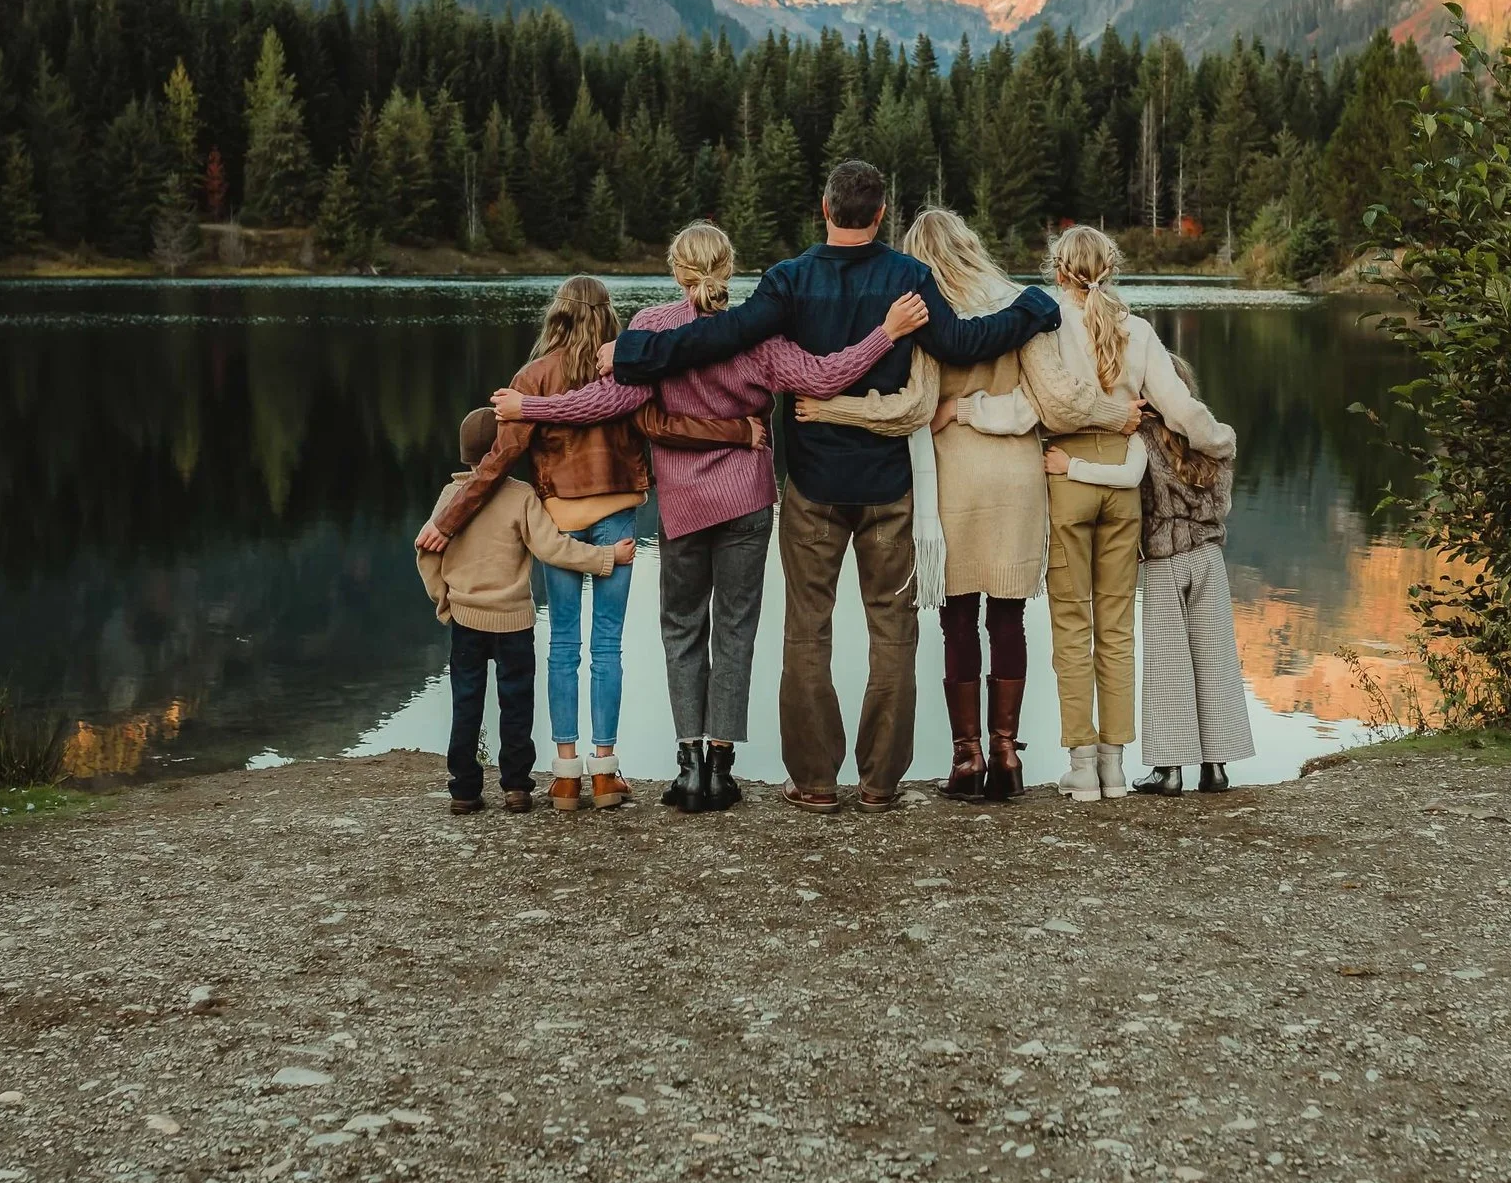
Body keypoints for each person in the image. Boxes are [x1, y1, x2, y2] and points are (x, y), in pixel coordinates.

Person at [601, 161, 1059, 812]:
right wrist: (1038, 306)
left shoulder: (789, 280)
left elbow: (720, 336)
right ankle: (880, 784)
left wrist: (630, 354)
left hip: (813, 484)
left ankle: (814, 782)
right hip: (887, 485)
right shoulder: (908, 279)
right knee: (892, 632)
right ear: (880, 215)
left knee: (808, 632)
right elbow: (964, 343)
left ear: (824, 207)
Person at [493, 222, 931, 813]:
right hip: (748, 502)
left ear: (677, 272)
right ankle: (722, 767)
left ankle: (688, 766)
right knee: (735, 629)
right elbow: (828, 376)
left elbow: (607, 402)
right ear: (729, 269)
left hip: (684, 506)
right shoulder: (759, 333)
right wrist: (886, 333)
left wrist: (531, 406)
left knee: (681, 628)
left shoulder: (651, 330)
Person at [797, 208, 1137, 803]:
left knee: (957, 618)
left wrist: (832, 409)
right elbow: (1058, 401)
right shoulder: (1021, 303)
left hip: (951, 482)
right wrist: (1117, 416)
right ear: (972, 244)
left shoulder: (926, 310)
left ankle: (966, 759)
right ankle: (1007, 754)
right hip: (1016, 482)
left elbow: (910, 410)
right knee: (1008, 616)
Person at [420, 276, 749, 813]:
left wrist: (449, 518)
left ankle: (565, 775)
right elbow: (663, 426)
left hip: (560, 523)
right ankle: (604, 772)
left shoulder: (533, 378)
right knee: (607, 649)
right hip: (618, 519)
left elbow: (496, 463)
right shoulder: (625, 368)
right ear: (606, 317)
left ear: (558, 317)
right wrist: (739, 434)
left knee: (564, 646)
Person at [1039, 225, 1236, 801]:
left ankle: (1082, 767)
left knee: (1072, 626)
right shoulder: (1140, 331)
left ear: (1057, 270)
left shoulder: (1044, 325)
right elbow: (1179, 409)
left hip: (1067, 472)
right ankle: (1117, 768)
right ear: (1113, 267)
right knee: (1117, 629)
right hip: (1125, 487)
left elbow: (1039, 403)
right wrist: (1220, 441)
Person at [415, 407, 635, 814]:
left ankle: (464, 790)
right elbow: (553, 548)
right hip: (514, 623)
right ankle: (516, 787)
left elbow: (426, 553)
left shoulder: (450, 498)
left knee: (466, 704)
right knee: (516, 705)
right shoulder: (520, 497)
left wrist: (445, 601)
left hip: (466, 622)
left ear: (465, 456)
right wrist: (606, 558)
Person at [1126, 352, 1251, 794]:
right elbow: (1224, 504)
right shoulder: (1211, 438)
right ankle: (1216, 767)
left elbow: (1135, 503)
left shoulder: (1137, 438)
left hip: (1163, 559)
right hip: (1209, 558)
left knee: (1167, 663)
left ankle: (1169, 769)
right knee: (1214, 659)